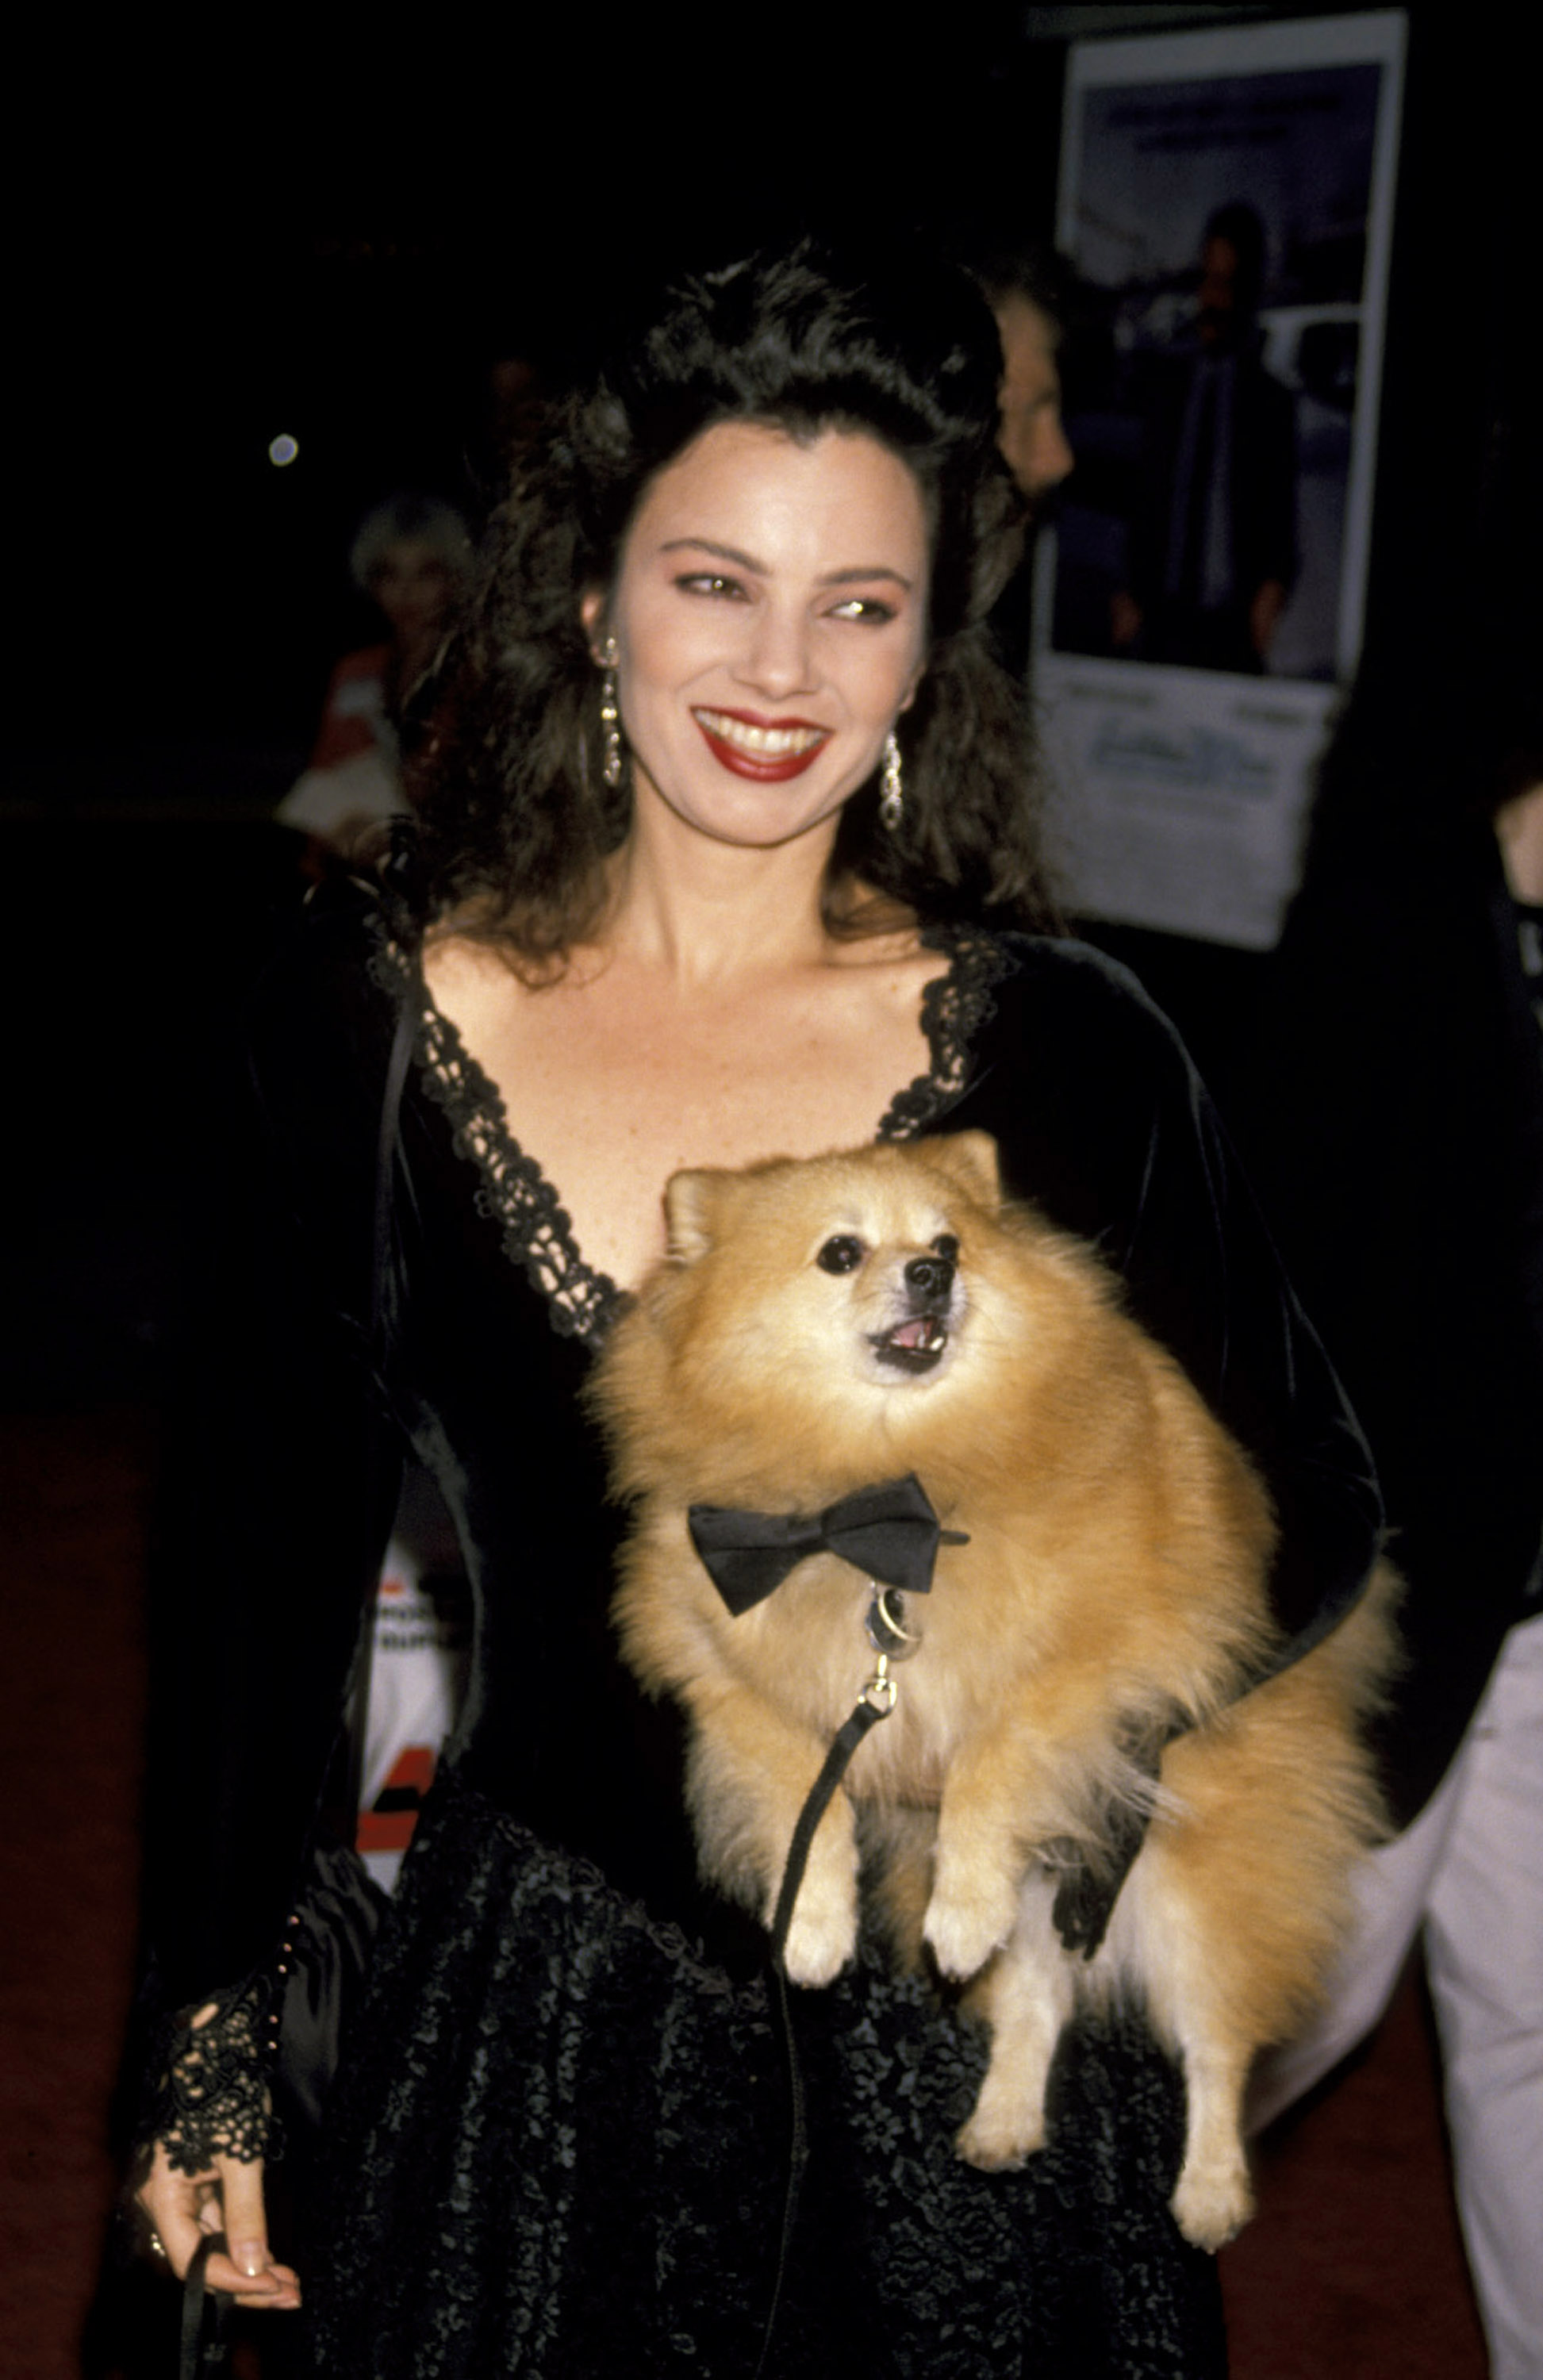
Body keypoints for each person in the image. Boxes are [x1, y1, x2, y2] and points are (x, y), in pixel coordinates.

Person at [131, 239, 1381, 2377]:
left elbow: (1314, 1511)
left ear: (926, 655)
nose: (781, 665)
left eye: (859, 604)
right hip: (543, 2038)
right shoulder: (362, 1023)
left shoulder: (1059, 1053)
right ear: (596, 596)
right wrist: (218, 2046)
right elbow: (260, 1571)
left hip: (976, 2089)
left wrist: (1034, 1736)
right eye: (716, 580)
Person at [1238, 658, 1543, 2378]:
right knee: (1290, 2011)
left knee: (1534, 2026)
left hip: (1542, 1612)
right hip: (1399, 1603)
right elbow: (1281, 1297)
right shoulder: (1388, 939)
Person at [1113, 202, 1297, 674]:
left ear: (1251, 289)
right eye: (1207, 280)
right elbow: (1143, 496)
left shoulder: (1269, 402)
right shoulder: (1169, 388)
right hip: (1160, 616)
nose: (1213, 300)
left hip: (1232, 625)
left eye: (1228, 284)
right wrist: (1128, 588)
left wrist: (1271, 592)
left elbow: (1281, 520)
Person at [276, 492, 472, 858]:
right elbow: (324, 775)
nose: (407, 592)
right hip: (357, 869)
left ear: (456, 579)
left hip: (450, 868)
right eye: (389, 574)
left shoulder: (475, 670)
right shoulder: (356, 671)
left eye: (427, 573)